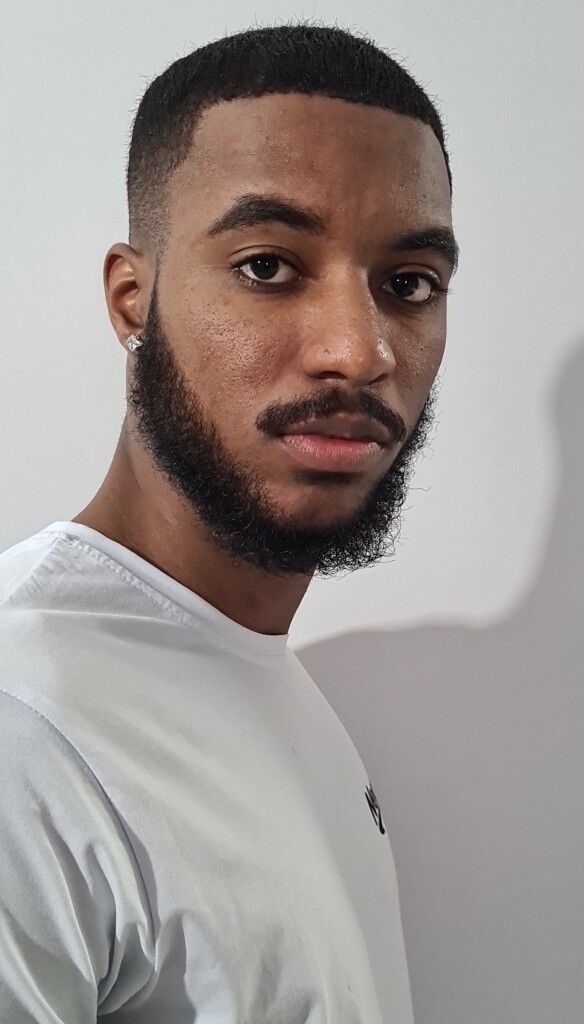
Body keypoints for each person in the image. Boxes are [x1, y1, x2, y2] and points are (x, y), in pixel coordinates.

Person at [0, 20, 458, 1023]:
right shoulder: (25, 727)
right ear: (133, 299)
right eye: (267, 267)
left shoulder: (266, 677)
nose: (359, 351)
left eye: (408, 284)